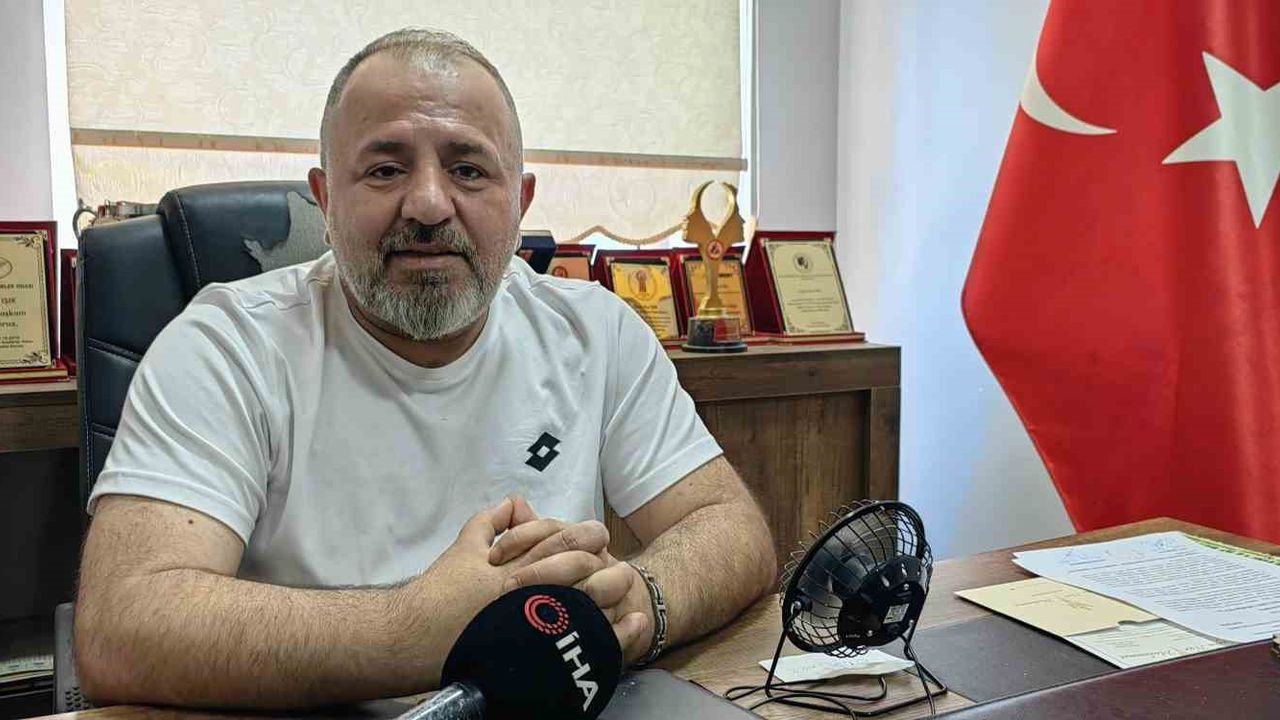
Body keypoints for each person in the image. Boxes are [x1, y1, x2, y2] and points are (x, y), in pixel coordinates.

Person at [74, 27, 775, 708]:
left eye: (468, 169)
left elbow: (730, 526)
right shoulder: (225, 346)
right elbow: (122, 626)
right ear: (326, 199)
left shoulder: (595, 331)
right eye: (386, 169)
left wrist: (641, 604)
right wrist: (415, 630)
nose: (431, 205)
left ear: (520, 201)